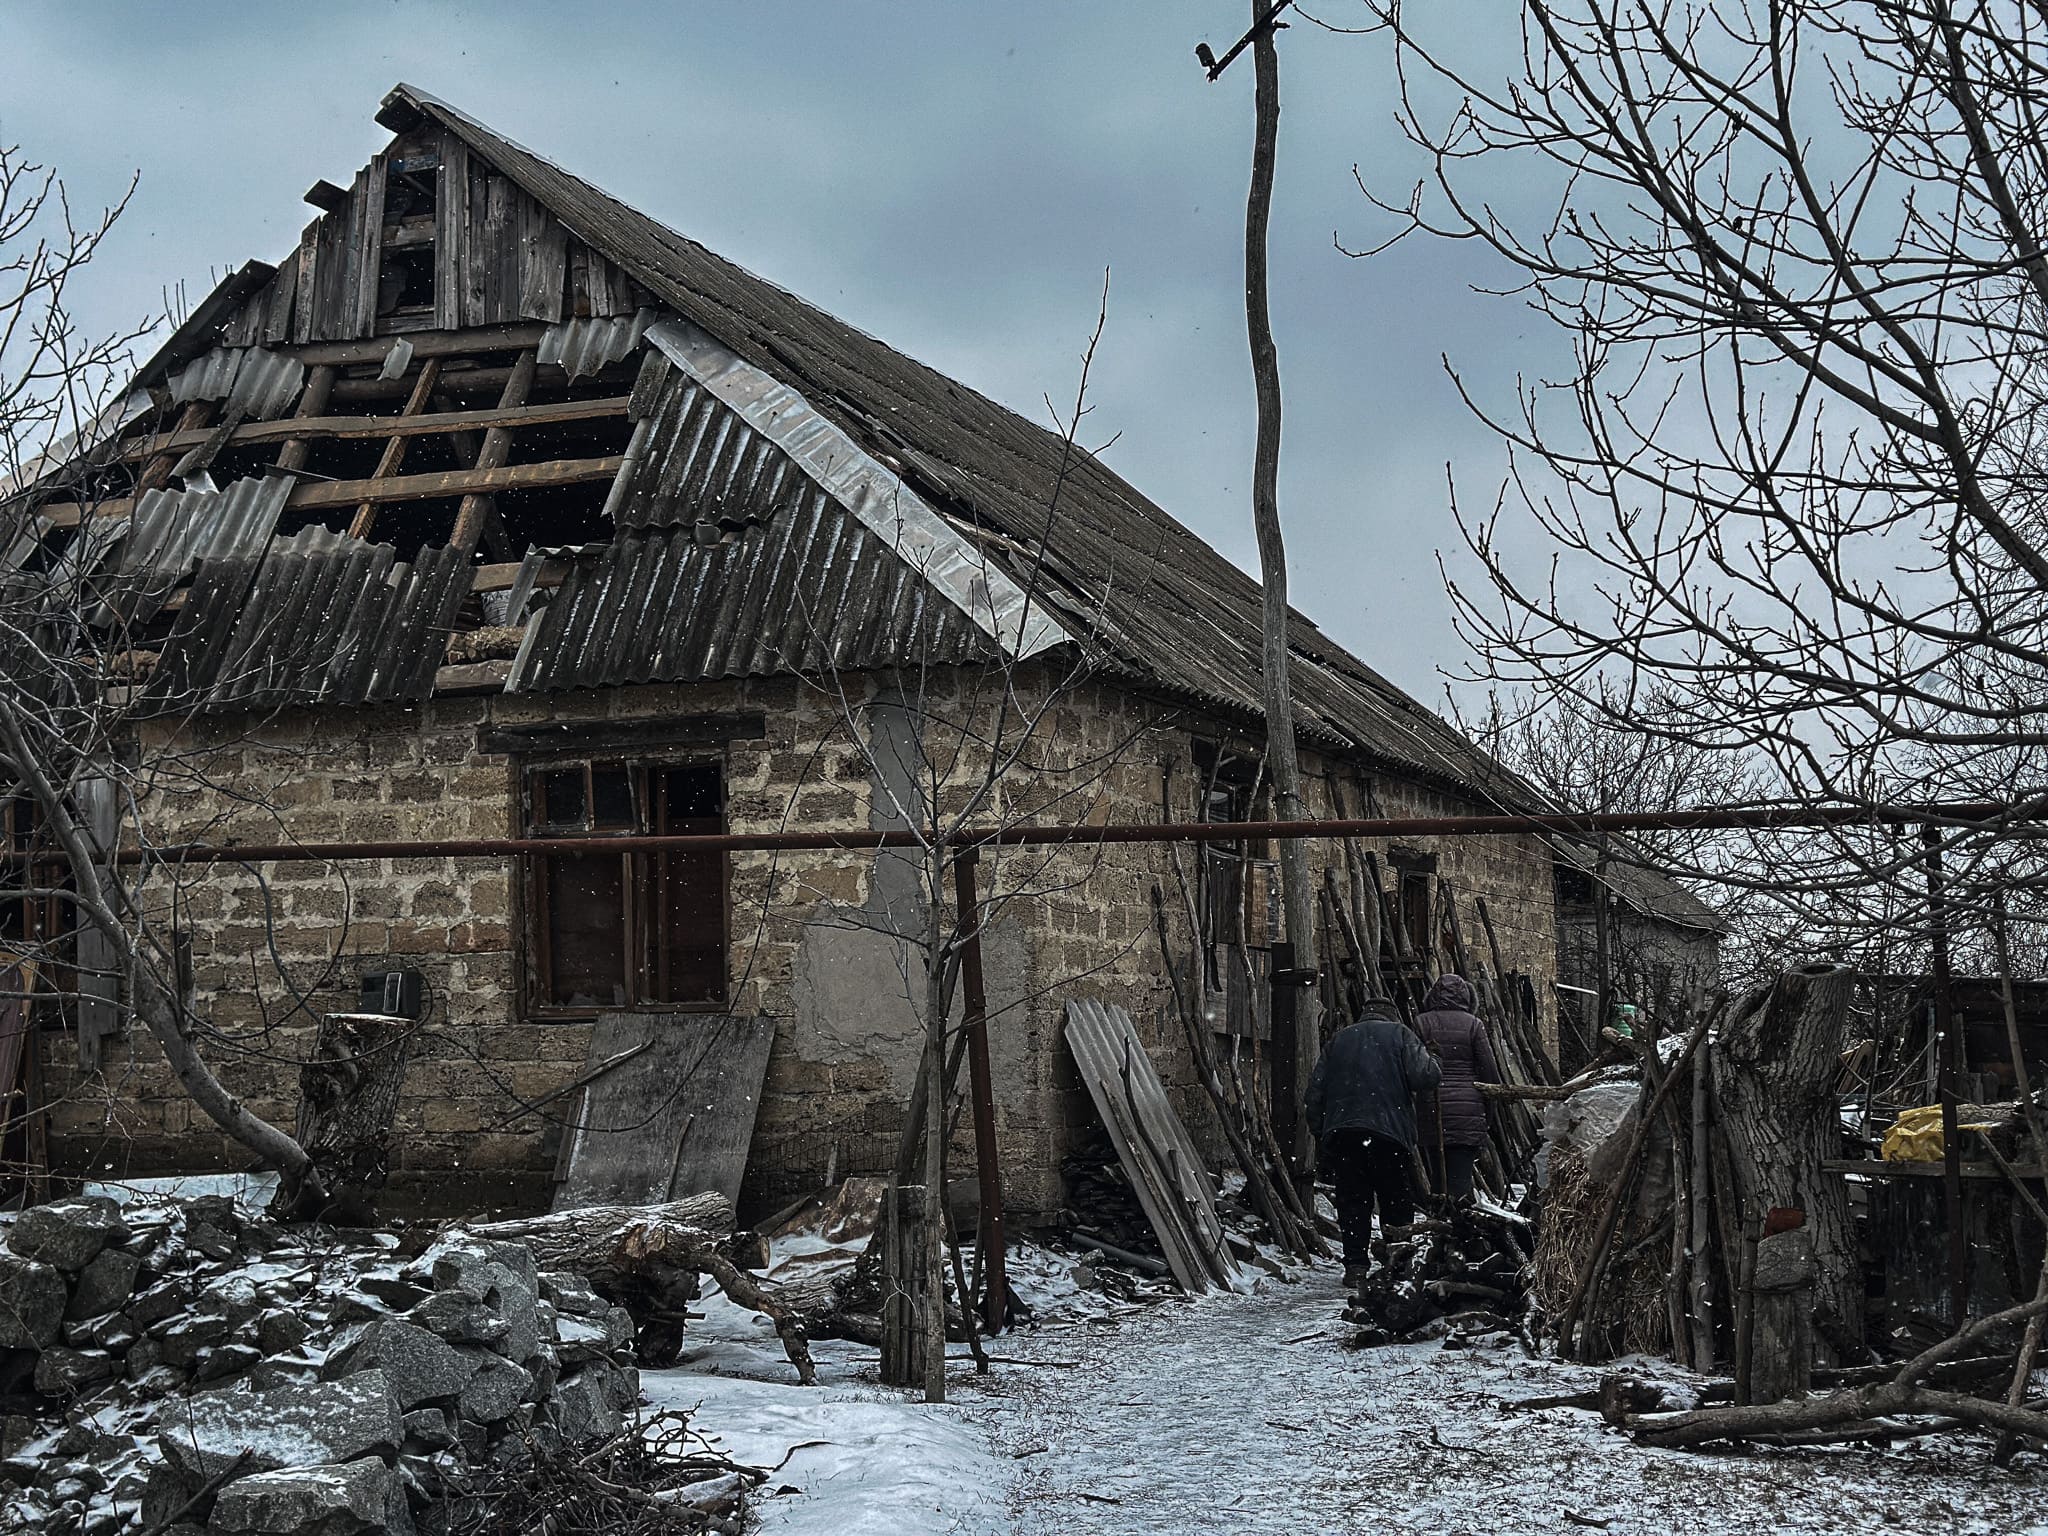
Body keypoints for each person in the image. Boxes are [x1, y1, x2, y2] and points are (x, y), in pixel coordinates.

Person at [1305, 993, 1442, 1286]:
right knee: (1394, 1198)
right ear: (1391, 1015)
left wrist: (1322, 1132)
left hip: (1345, 1134)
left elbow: (1315, 1092)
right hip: (1388, 1134)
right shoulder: (1401, 1035)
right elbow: (1424, 1077)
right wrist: (1435, 1059)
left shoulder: (1339, 1041)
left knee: (1353, 1201)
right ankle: (1397, 1260)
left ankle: (1355, 1265)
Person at [1413, 974, 1501, 1202]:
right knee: (1461, 1178)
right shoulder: (1473, 1025)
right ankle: (1461, 1227)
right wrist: (1487, 1111)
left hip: (1432, 1106)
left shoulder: (1422, 1023)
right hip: (1467, 1110)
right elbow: (1488, 1070)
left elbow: (1414, 1067)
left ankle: (1442, 1224)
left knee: (1438, 1177)